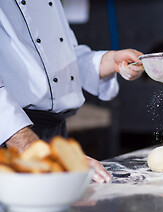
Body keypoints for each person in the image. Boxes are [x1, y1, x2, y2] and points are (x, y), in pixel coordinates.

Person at [0, 1, 144, 183]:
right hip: (12, 136)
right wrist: (30, 146)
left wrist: (109, 61)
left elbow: (59, 57)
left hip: (52, 133)